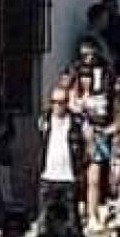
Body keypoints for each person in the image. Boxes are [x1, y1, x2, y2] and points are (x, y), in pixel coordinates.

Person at [38, 88, 86, 216]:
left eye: (61, 102)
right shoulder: (44, 120)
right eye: (54, 102)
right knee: (46, 221)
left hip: (69, 177)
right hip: (48, 177)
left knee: (71, 222)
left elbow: (86, 145)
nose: (58, 106)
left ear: (67, 103)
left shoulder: (76, 122)